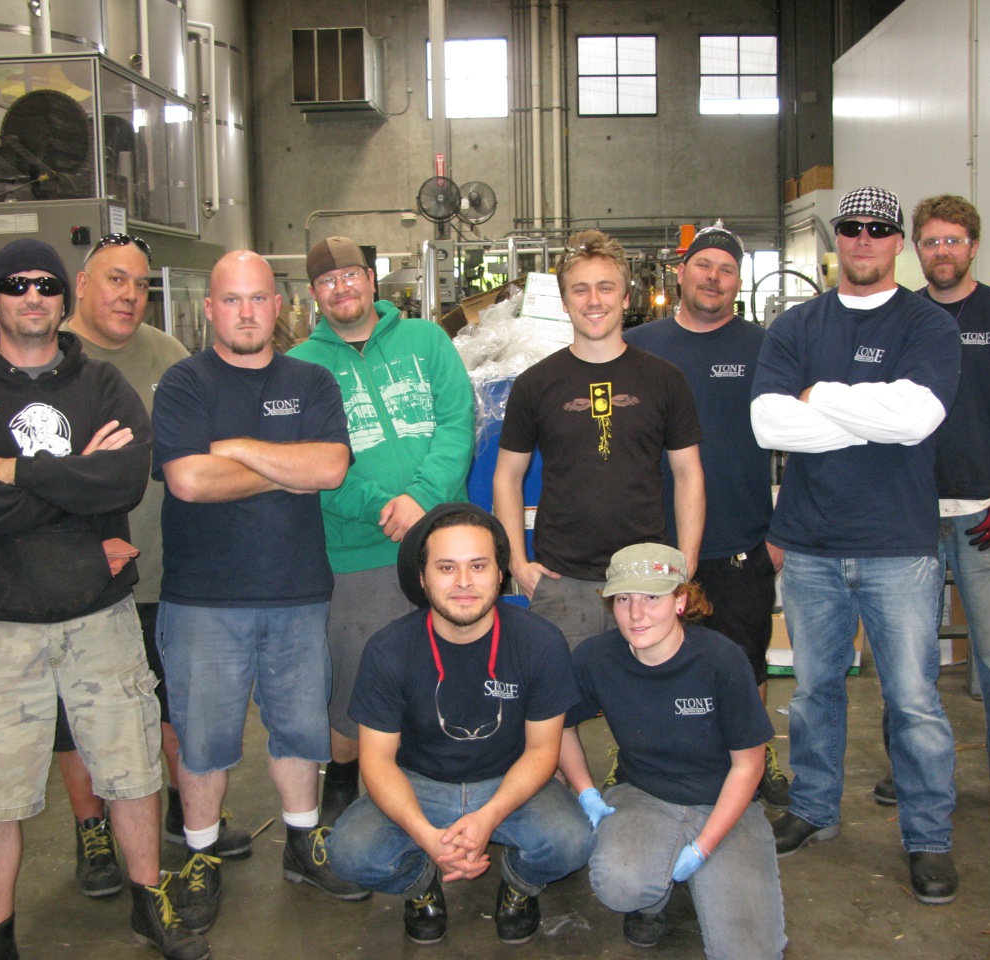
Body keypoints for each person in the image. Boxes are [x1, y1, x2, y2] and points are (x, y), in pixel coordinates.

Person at [0, 239, 207, 960]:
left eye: (45, 285)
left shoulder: (103, 385)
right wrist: (73, 478)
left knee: (135, 770)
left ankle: (150, 903)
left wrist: (17, 474)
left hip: (98, 616)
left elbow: (120, 484)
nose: (33, 296)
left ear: (62, 298)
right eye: (16, 285)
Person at [750, 187, 963, 904]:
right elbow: (769, 425)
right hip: (809, 544)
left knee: (913, 701)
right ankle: (813, 808)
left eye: (879, 230)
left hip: (898, 545)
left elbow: (919, 416)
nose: (864, 240)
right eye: (852, 229)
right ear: (834, 240)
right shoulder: (797, 324)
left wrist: (818, 397)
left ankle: (928, 834)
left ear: (898, 242)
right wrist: (870, 410)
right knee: (813, 693)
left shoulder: (926, 324)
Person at [151, 250, 357, 934]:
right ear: (209, 309)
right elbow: (187, 482)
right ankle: (203, 855)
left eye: (258, 299)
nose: (246, 312)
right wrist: (283, 466)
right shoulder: (181, 384)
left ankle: (302, 842)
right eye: (232, 300)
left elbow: (329, 467)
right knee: (204, 739)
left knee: (301, 730)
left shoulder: (312, 380)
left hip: (297, 593)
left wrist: (234, 446)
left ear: (280, 306)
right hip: (202, 599)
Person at [55, 233, 251, 899]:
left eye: (140, 284)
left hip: (165, 570)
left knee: (175, 703)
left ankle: (184, 813)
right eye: (115, 280)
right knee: (79, 717)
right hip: (75, 579)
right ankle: (93, 830)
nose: (129, 295)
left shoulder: (168, 355)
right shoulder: (49, 359)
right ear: (83, 285)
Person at [327, 503, 594, 945]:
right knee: (350, 854)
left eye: (478, 566)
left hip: (509, 779)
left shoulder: (540, 642)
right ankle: (419, 885)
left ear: (501, 573)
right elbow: (375, 762)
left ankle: (519, 882)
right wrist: (426, 837)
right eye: (446, 567)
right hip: (418, 783)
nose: (465, 582)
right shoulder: (388, 650)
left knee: (572, 843)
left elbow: (544, 751)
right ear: (421, 578)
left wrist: (488, 818)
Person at [872, 195, 990, 824]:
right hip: (911, 514)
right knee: (907, 656)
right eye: (931, 242)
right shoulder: (898, 318)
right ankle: (909, 769)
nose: (942, 252)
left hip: (986, 512)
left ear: (974, 246)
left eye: (954, 241)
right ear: (914, 249)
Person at [288, 236, 474, 828]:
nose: (341, 288)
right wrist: (380, 508)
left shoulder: (427, 339)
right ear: (314, 294)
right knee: (355, 679)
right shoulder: (300, 367)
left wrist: (421, 499)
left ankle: (450, 772)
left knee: (450, 667)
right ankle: (345, 773)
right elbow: (308, 462)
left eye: (350, 276)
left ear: (372, 280)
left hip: (446, 542)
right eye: (327, 281)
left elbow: (456, 422)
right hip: (358, 553)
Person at [625, 222, 789, 809]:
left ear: (737, 282)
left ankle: (755, 752)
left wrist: (781, 531)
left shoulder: (764, 346)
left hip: (740, 538)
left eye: (725, 269)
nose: (713, 277)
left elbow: (799, 441)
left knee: (745, 659)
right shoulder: (639, 346)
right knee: (646, 652)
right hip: (653, 541)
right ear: (681, 272)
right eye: (703, 266)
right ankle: (638, 752)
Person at [559, 543, 786, 958]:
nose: (636, 613)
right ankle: (653, 894)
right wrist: (585, 791)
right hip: (643, 794)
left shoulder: (722, 660)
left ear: (681, 600)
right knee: (619, 885)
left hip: (725, 803)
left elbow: (749, 764)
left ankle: (698, 871)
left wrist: (706, 844)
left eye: (652, 597)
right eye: (623, 598)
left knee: (748, 952)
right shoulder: (596, 658)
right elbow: (560, 727)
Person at [492, 228, 705, 647]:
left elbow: (689, 474)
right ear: (565, 300)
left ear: (626, 297)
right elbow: (506, 477)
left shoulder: (665, 380)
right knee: (557, 711)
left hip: (648, 579)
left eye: (606, 288)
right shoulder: (535, 385)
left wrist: (688, 559)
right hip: (562, 583)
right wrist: (517, 561)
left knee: (646, 706)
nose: (594, 301)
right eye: (581, 290)